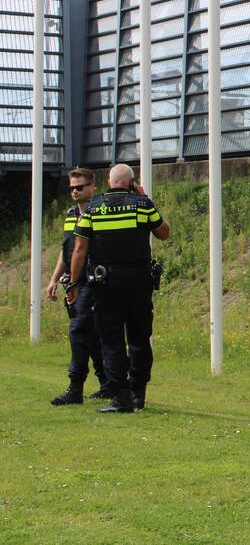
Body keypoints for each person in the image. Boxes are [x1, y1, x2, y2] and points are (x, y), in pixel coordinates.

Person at [67, 163, 171, 413]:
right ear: (132, 182)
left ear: (109, 182)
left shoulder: (93, 207)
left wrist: (73, 282)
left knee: (111, 340)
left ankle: (121, 396)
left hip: (105, 284)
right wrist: (144, 198)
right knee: (139, 337)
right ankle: (138, 392)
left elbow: (80, 249)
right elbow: (164, 233)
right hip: (138, 282)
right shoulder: (141, 204)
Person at [46, 168, 112, 405]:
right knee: (89, 334)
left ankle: (76, 389)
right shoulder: (71, 213)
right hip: (74, 282)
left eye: (80, 187)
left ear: (92, 187)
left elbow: (85, 251)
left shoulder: (101, 212)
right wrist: (55, 279)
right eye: (72, 188)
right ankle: (107, 383)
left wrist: (74, 281)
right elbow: (68, 252)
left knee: (78, 331)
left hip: (92, 281)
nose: (75, 192)